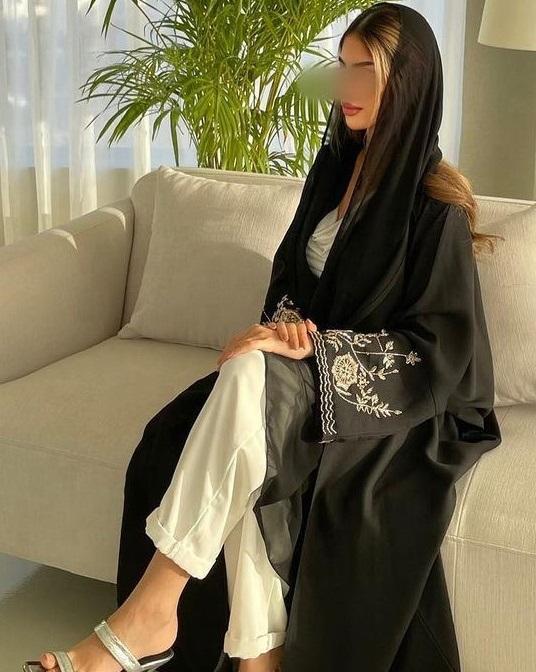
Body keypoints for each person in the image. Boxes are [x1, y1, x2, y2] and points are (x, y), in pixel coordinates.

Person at [25, 3, 503, 672]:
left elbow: (437, 352)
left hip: (395, 406)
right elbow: (292, 282)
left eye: (365, 72)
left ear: (410, 83)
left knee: (251, 396)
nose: (344, 87)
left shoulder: (435, 207)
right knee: (237, 420)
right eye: (342, 67)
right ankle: (257, 657)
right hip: (303, 378)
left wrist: (318, 351)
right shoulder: (332, 172)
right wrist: (283, 329)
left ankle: (149, 616)